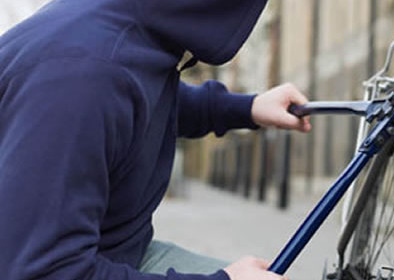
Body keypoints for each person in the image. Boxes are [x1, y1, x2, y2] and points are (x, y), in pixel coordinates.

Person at [0, 0, 310, 279]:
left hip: (111, 249)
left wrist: (247, 108)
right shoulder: (79, 77)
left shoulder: (124, 24)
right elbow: (44, 271)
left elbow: (139, 98)